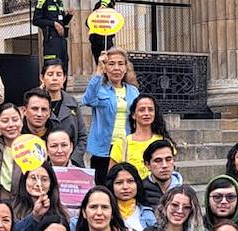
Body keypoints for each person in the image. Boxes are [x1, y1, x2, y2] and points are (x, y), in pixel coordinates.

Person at [82, 47, 140, 187]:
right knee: (104, 188)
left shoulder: (133, 91)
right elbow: (87, 100)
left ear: (126, 68)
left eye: (120, 64)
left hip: (126, 146)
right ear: (106, 68)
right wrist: (98, 72)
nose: (116, 68)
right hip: (103, 149)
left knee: (124, 186)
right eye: (111, 64)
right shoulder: (99, 89)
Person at [109, 94, 169, 182]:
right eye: (142, 110)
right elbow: (111, 178)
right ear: (133, 115)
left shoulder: (163, 141)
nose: (147, 113)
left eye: (150, 110)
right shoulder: (121, 144)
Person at [40, 60, 87, 166]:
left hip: (72, 164)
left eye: (59, 74)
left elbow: (82, 136)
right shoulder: (37, 105)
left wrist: (73, 159)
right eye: (50, 74)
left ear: (64, 78)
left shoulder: (72, 103)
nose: (55, 78)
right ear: (42, 78)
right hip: (44, 164)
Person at [13, 162, 69, 231]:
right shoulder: (11, 211)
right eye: (33, 178)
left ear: (51, 184)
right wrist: (35, 216)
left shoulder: (61, 215)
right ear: (24, 181)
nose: (38, 184)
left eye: (44, 179)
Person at [0, 103, 24, 198]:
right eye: (5, 121)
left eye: (15, 120)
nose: (11, 125)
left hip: (24, 204)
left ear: (22, 122)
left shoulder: (32, 145)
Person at [106, 163, 156, 231]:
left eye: (130, 181)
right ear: (111, 186)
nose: (125, 187)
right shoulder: (104, 213)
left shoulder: (147, 213)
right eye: (119, 182)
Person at [140, 139, 182, 208]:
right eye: (158, 160)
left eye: (168, 159)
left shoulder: (184, 191)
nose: (164, 165)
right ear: (147, 165)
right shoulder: (140, 191)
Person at [33, 0, 74, 70]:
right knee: (53, 66)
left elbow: (63, 22)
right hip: (51, 41)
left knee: (64, 67)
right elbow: (36, 21)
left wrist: (69, 15)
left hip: (62, 41)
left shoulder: (59, 2)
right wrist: (53, 24)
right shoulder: (42, 1)